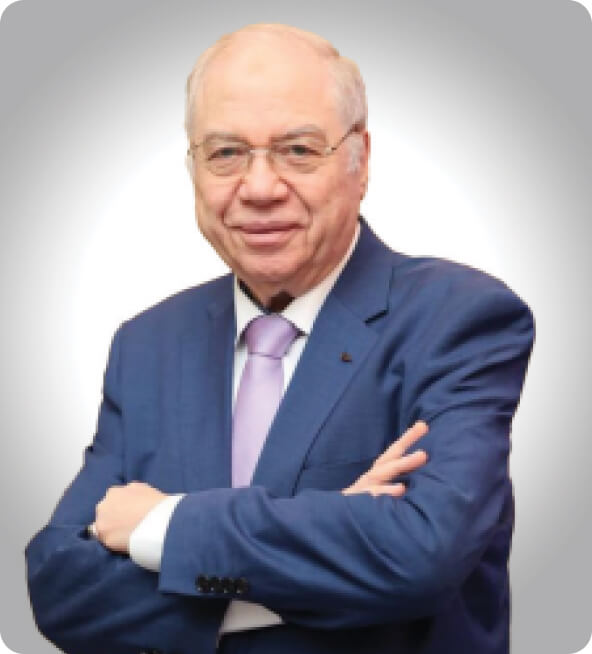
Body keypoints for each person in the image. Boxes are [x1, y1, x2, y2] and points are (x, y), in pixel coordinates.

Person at [25, 23, 534, 654]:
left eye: (297, 149)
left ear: (360, 160)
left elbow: (421, 557)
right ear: (193, 167)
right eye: (226, 153)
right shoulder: (147, 345)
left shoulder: (459, 318)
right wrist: (332, 543)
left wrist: (162, 526)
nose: (261, 188)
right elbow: (60, 588)